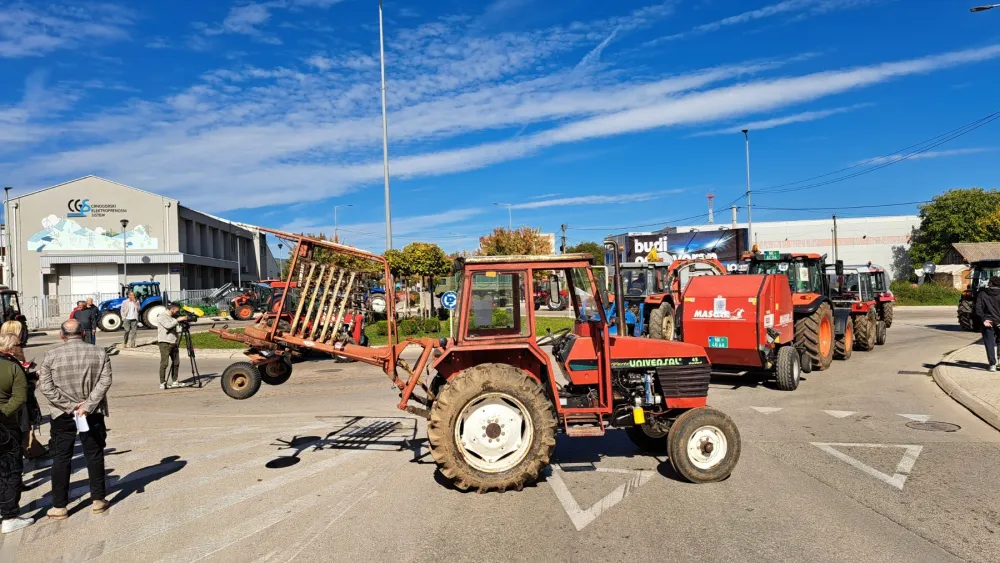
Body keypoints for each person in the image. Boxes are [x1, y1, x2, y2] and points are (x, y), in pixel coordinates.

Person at [39, 320, 112, 519]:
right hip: (91, 412)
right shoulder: (99, 352)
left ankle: (60, 506)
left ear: (62, 335)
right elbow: (105, 381)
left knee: (61, 457)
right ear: (83, 333)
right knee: (94, 454)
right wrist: (87, 405)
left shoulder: (51, 355)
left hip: (62, 414)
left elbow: (45, 387)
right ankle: (98, 500)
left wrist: (68, 406)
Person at [0, 334, 31, 533]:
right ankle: (10, 516)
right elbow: (20, 398)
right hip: (6, 427)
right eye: (20, 345)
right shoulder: (13, 367)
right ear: (12, 348)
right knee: (10, 471)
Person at [155, 304, 190, 389]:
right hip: (165, 342)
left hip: (174, 342)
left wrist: (185, 325)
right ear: (172, 309)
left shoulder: (173, 317)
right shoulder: (162, 316)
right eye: (177, 311)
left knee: (176, 363)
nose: (178, 313)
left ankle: (175, 381)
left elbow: (176, 329)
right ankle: (162, 383)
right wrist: (178, 320)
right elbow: (168, 325)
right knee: (164, 363)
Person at [974, 276, 1000, 372]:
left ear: (990, 283)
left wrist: (984, 319)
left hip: (987, 322)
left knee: (989, 343)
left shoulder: (982, 294)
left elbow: (978, 308)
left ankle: (992, 364)